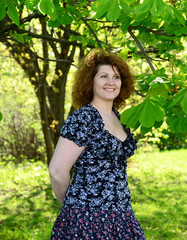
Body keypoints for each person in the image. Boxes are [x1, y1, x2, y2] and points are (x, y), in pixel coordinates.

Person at [49, 49, 146, 239]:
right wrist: (73, 206)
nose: (111, 82)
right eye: (104, 76)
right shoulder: (84, 118)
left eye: (116, 77)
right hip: (88, 219)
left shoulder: (117, 117)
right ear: (90, 81)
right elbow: (57, 171)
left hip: (121, 215)